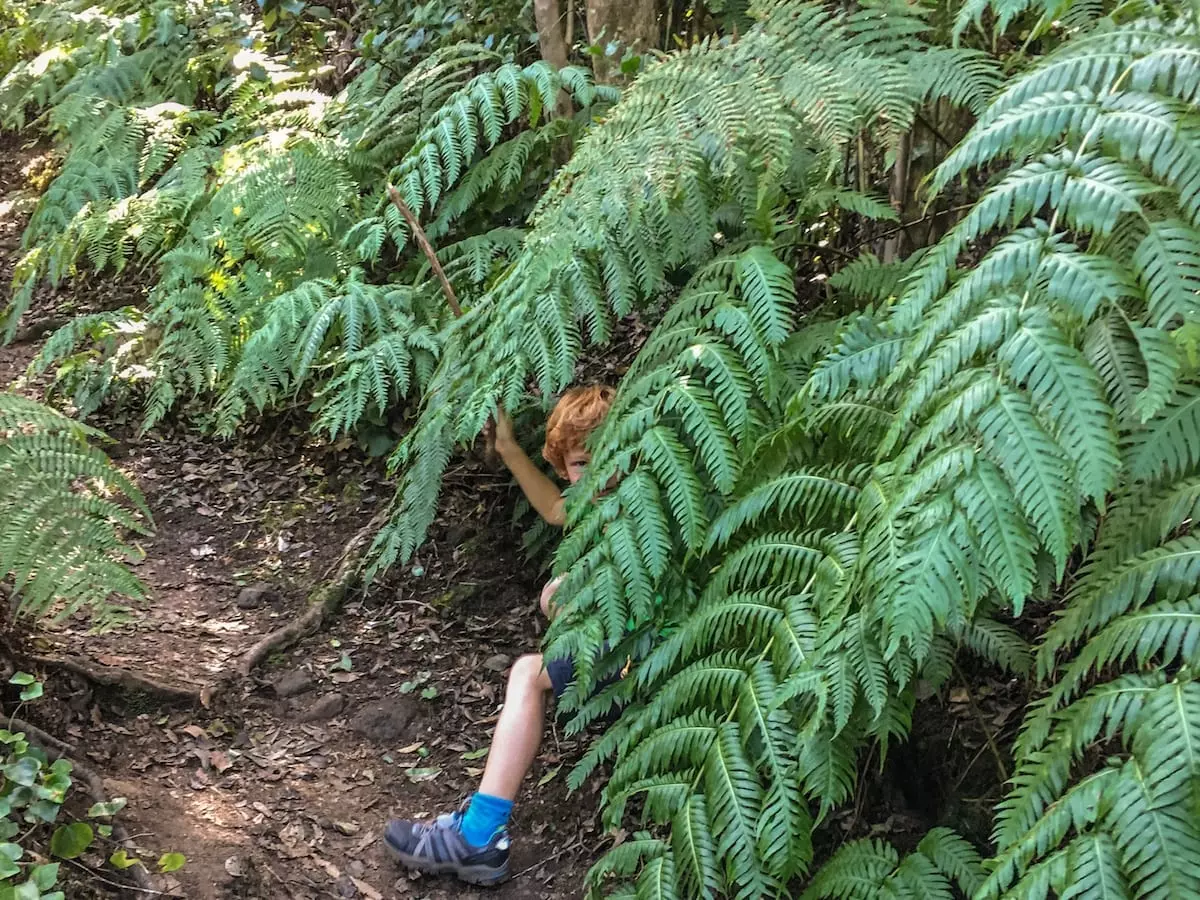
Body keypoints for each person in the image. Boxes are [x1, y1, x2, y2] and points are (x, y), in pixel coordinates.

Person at [383, 385, 615, 886]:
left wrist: (565, 601)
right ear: (565, 470)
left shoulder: (640, 509)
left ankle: (480, 835)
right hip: (619, 651)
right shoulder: (602, 503)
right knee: (546, 616)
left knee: (528, 674)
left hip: (636, 661)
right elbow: (558, 510)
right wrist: (509, 447)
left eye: (608, 456)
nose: (597, 474)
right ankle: (479, 827)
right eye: (581, 465)